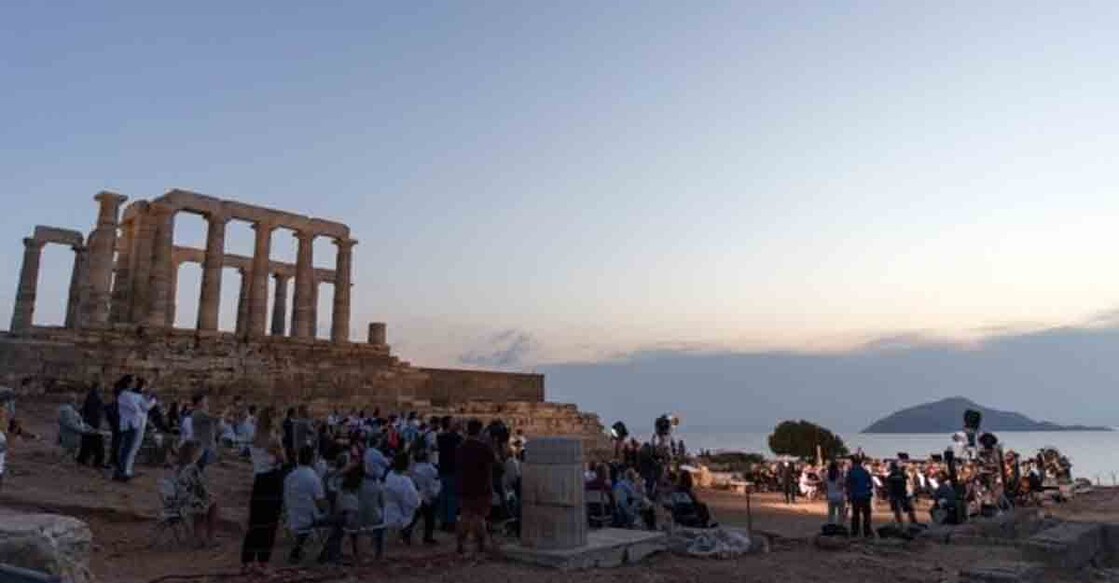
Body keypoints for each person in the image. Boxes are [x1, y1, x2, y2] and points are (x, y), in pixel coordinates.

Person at [240, 407, 286, 572]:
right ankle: (263, 561)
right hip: (272, 481)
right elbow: (283, 459)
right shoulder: (273, 439)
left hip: (259, 480)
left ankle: (247, 561)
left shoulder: (254, 438)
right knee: (269, 524)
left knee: (255, 522)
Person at [284, 445, 342, 564]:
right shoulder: (313, 477)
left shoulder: (289, 477)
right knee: (341, 520)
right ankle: (327, 555)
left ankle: (298, 549)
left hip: (292, 517)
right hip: (310, 519)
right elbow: (321, 506)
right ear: (312, 459)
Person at [455, 418, 494, 555]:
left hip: (464, 486)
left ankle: (460, 543)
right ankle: (481, 545)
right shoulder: (484, 447)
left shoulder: (461, 447)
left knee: (465, 515)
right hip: (481, 487)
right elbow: (494, 463)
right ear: (480, 430)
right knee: (479, 517)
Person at [174, 441, 219, 547]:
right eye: (200, 452)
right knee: (213, 505)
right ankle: (210, 537)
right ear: (195, 453)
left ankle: (200, 537)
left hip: (180, 501)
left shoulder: (179, 467)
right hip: (186, 503)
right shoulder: (192, 468)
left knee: (206, 503)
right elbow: (200, 487)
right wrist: (209, 495)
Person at [115, 376, 156, 481]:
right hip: (130, 425)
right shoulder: (125, 394)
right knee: (127, 450)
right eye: (133, 382)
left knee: (131, 449)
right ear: (128, 383)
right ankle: (122, 471)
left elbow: (143, 407)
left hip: (134, 424)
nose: (135, 384)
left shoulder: (132, 395)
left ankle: (126, 470)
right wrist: (149, 401)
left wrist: (150, 400)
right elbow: (137, 408)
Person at [384, 452, 421, 544]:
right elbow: (414, 502)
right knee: (425, 505)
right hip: (400, 514)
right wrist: (420, 496)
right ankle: (407, 531)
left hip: (388, 510)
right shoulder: (405, 481)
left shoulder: (390, 474)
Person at [436, 416, 462, 532]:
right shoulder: (456, 438)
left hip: (443, 469)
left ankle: (444, 521)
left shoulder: (440, 437)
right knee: (451, 497)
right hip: (453, 470)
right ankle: (451, 522)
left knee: (444, 497)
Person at [410, 449, 441, 544]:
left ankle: (406, 532)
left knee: (416, 515)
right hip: (428, 494)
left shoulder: (414, 468)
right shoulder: (429, 468)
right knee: (429, 518)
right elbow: (434, 481)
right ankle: (427, 537)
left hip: (418, 494)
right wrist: (434, 494)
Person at [58, 392, 95, 459]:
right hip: (69, 434)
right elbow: (70, 423)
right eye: (74, 399)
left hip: (73, 434)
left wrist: (87, 426)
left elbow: (77, 421)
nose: (76, 401)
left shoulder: (71, 409)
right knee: (68, 454)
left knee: (71, 452)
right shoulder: (66, 409)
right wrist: (83, 430)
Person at [78, 384, 106, 467]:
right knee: (96, 445)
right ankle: (96, 461)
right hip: (93, 424)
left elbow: (84, 410)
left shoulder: (91, 397)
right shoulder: (96, 398)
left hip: (89, 423)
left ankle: (84, 459)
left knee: (88, 444)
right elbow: (96, 412)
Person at [846, 456, 874, 538]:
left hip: (855, 496)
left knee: (855, 515)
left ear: (853, 462)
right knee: (867, 515)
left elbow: (848, 485)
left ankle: (855, 532)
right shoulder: (865, 472)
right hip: (865, 495)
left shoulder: (851, 472)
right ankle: (867, 532)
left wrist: (849, 496)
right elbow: (871, 485)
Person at [825, 461, 846, 525]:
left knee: (831, 513)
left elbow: (825, 487)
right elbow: (842, 485)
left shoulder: (827, 476)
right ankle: (840, 524)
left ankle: (831, 524)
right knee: (841, 512)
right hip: (839, 496)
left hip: (831, 496)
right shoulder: (839, 476)